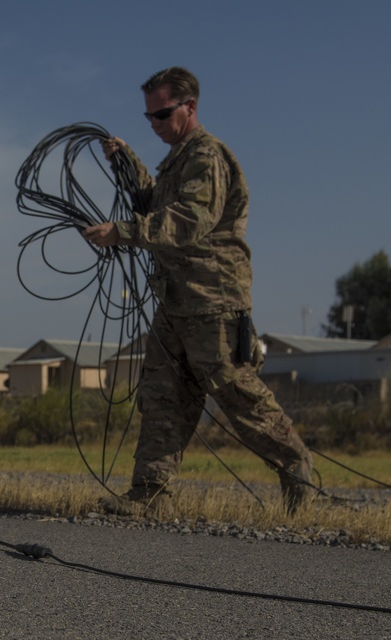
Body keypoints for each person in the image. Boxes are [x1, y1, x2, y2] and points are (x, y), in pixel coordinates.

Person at [81, 66, 313, 517]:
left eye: (163, 114)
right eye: (149, 117)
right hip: (175, 301)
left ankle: (296, 469)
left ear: (190, 108)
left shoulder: (206, 157)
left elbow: (188, 221)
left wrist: (122, 232)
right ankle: (149, 494)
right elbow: (158, 204)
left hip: (212, 301)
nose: (155, 124)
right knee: (163, 394)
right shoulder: (178, 161)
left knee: (236, 394)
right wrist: (128, 163)